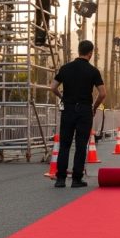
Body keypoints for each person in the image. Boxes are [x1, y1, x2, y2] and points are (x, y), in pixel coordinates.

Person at [50, 40, 106, 188]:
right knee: (81, 145)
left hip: (68, 109)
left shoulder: (66, 68)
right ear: (90, 53)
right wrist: (94, 107)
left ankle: (60, 179)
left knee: (65, 145)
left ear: (79, 50)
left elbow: (53, 87)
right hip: (84, 110)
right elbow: (102, 93)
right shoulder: (93, 71)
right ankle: (76, 178)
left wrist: (63, 97)